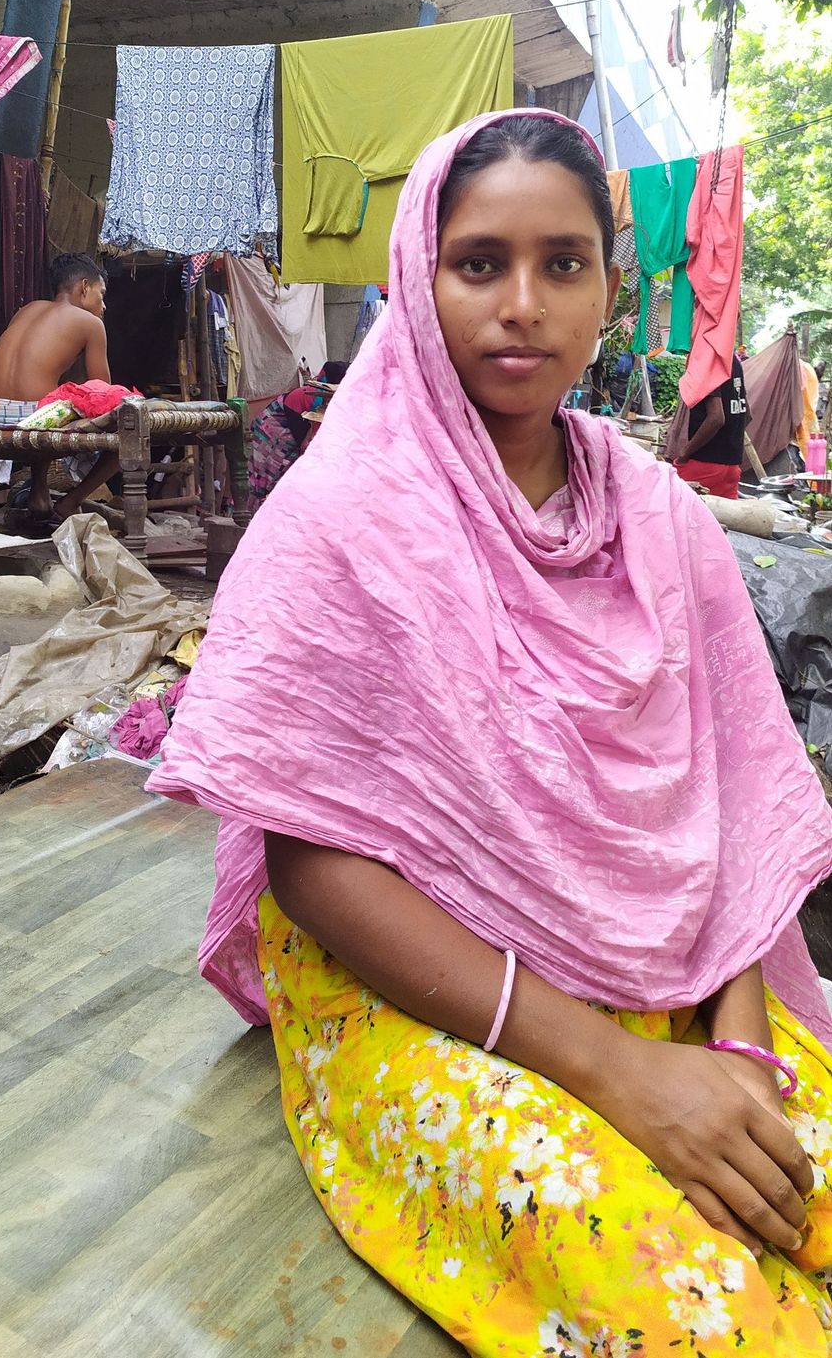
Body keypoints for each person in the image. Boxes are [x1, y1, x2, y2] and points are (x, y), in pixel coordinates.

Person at [148, 111, 832, 1354]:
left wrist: (742, 1049)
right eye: (480, 263)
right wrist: (620, 1076)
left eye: (562, 262)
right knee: (700, 1307)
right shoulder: (342, 521)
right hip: (424, 989)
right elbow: (315, 866)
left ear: (609, 289)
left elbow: (732, 804)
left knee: (802, 1181)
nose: (523, 303)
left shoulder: (658, 519)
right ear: (422, 272)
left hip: (677, 965)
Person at [0, 252, 117, 524]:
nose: (103, 306)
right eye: (101, 294)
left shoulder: (28, 309)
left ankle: (39, 493)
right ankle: (70, 502)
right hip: (34, 419)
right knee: (126, 431)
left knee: (52, 400)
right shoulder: (91, 323)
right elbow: (102, 392)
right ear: (83, 287)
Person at [247, 360, 348, 512]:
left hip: (284, 431)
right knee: (263, 479)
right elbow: (309, 444)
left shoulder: (325, 399)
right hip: (273, 432)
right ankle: (251, 520)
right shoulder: (318, 399)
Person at [674, 355, 749, 499]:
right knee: (722, 519)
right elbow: (746, 414)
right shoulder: (733, 361)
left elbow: (716, 418)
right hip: (732, 467)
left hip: (703, 465)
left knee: (677, 513)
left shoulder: (706, 360)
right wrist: (729, 442)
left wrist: (684, 454)